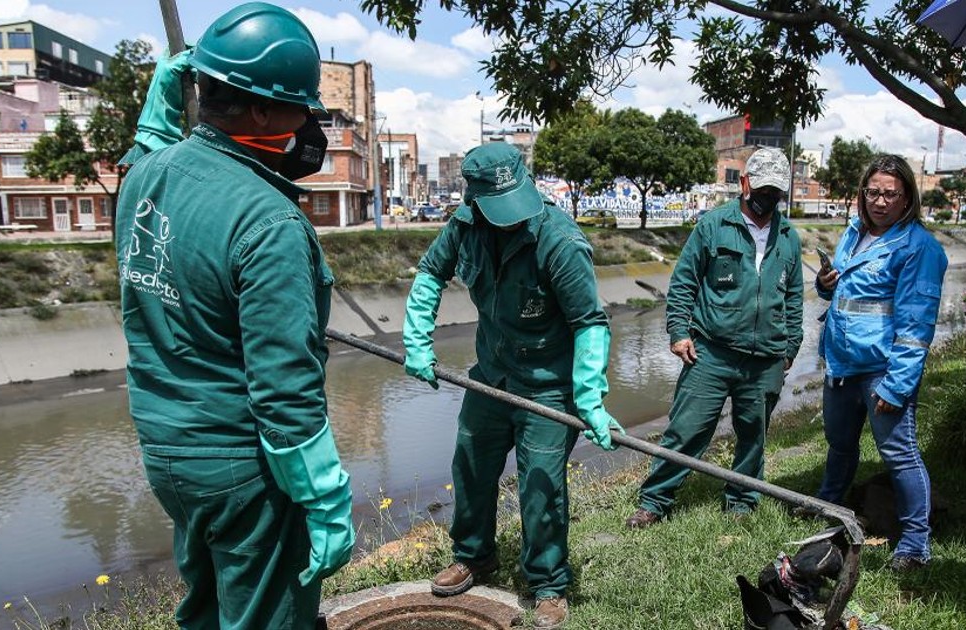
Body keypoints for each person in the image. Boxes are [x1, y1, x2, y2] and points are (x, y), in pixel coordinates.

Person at [114, 4, 353, 628]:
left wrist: (163, 100)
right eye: (300, 106)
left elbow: (151, 148)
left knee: (208, 604)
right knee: (267, 614)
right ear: (260, 111)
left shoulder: (141, 181)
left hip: (167, 452)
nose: (308, 122)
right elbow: (284, 390)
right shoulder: (269, 222)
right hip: (240, 466)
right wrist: (325, 498)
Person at [402, 142, 621, 629]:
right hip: (492, 373)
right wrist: (417, 338)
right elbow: (430, 274)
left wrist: (589, 395)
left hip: (547, 384)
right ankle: (474, 556)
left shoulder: (559, 241)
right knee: (471, 464)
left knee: (541, 486)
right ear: (473, 200)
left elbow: (590, 322)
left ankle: (547, 582)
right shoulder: (464, 226)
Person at [625, 147, 804, 529]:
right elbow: (684, 282)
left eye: (776, 192)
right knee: (686, 431)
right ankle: (655, 501)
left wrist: (791, 348)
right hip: (710, 352)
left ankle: (740, 502)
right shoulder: (713, 225)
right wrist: (678, 332)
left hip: (766, 358)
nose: (768, 199)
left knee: (753, 436)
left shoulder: (788, 236)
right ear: (745, 183)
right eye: (763, 189)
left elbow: (793, 297)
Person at [811, 154, 946, 573]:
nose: (880, 201)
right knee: (839, 443)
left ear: (907, 197)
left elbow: (916, 323)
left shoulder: (918, 247)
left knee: (899, 454)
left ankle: (914, 544)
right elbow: (849, 297)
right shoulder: (854, 233)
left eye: (891, 194)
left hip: (882, 370)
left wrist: (898, 384)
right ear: (862, 194)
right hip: (842, 363)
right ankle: (828, 507)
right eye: (873, 192)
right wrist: (824, 285)